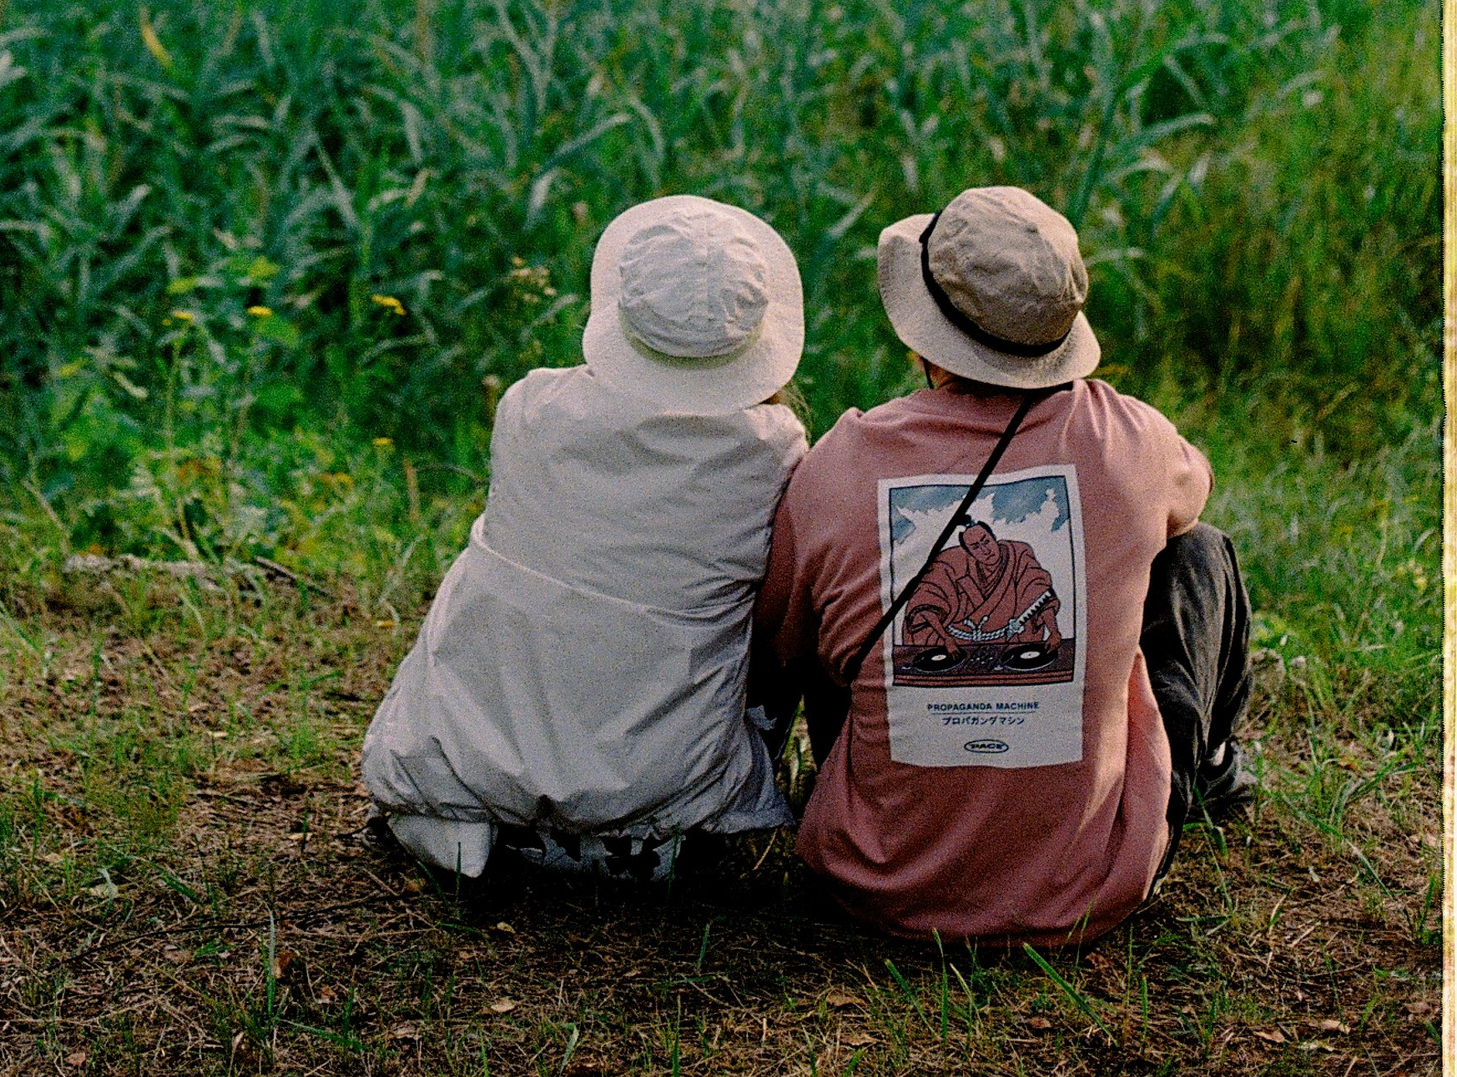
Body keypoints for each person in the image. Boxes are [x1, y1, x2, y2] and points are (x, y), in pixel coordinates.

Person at [753, 183, 1252, 943]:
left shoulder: (841, 461)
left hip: (874, 881)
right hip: (1084, 888)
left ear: (924, 340)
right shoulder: (1128, 438)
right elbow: (1193, 490)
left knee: (827, 607)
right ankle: (1200, 766)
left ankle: (895, 803)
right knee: (1199, 551)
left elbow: (782, 644)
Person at [363, 194, 808, 880]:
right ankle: (641, 829)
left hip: (473, 768)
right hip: (663, 793)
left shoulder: (530, 407)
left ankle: (485, 815)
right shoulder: (772, 450)